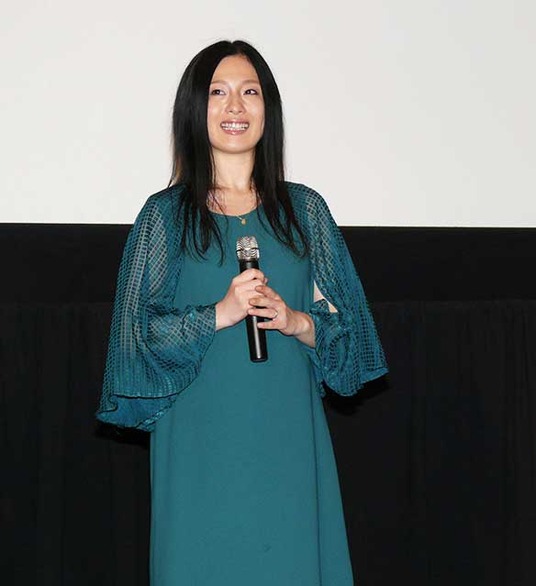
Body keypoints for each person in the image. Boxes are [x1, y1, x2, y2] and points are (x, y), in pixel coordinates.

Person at [96, 40, 387, 585]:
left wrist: (298, 321)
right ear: (194, 108)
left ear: (267, 108)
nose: (235, 106)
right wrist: (217, 313)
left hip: (287, 435)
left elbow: (356, 341)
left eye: (249, 92)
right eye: (218, 92)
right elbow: (135, 341)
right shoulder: (165, 216)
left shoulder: (305, 211)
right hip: (200, 440)